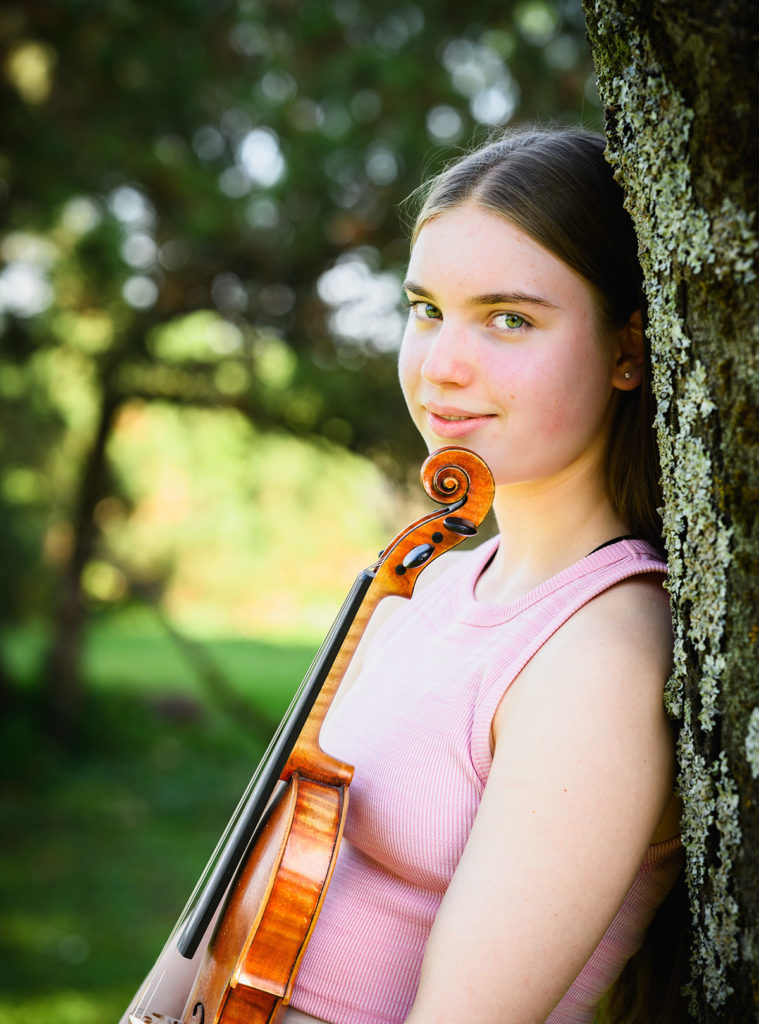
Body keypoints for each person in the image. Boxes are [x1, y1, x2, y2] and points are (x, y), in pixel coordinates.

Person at [275, 126, 685, 1024]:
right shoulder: (415, 588)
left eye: (509, 318)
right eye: (426, 309)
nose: (442, 366)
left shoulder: (600, 654)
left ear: (628, 348)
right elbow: (225, 912)